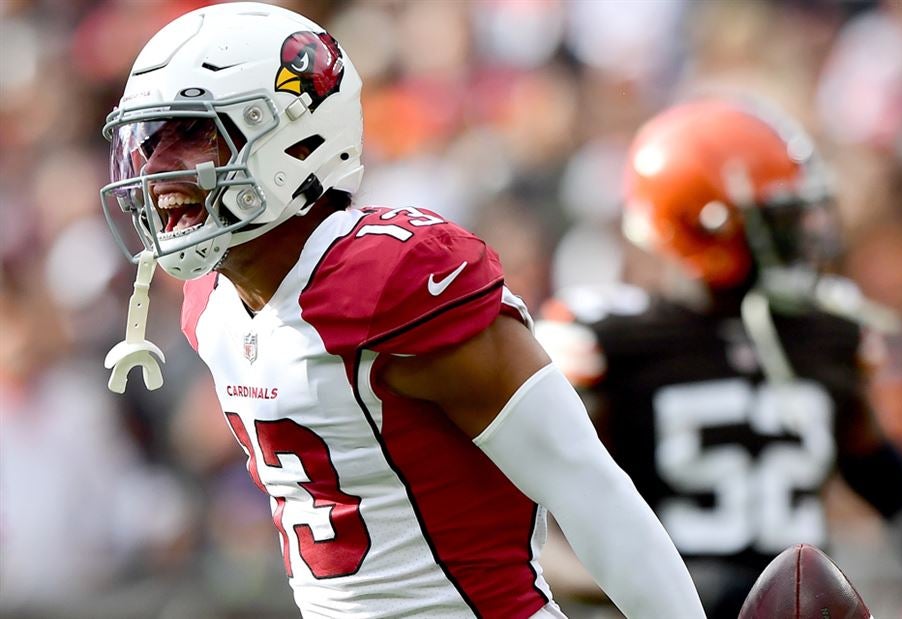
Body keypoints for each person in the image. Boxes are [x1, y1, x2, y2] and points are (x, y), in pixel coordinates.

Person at [98, 3, 704, 618]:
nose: (153, 170)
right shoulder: (211, 304)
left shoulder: (393, 284)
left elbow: (589, 491)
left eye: (190, 134)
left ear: (293, 134)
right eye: (148, 141)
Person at [536, 99, 902, 618]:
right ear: (703, 225)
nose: (801, 237)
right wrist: (646, 591)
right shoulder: (610, 342)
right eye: (777, 220)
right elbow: (538, 522)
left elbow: (875, 466)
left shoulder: (825, 335)